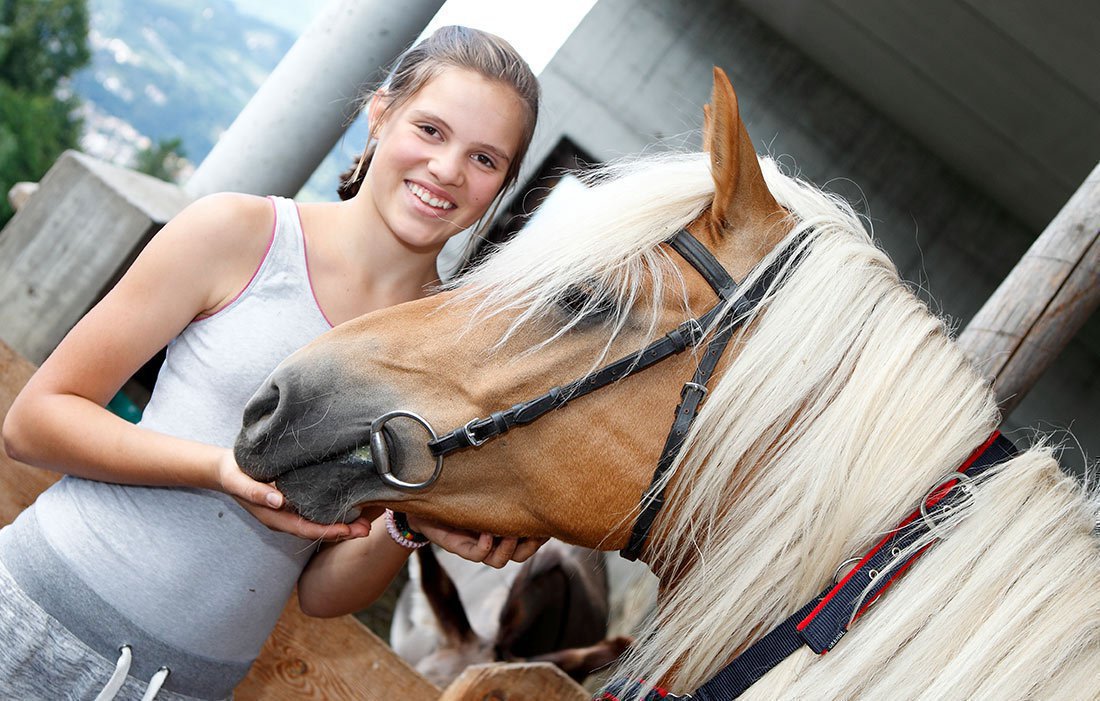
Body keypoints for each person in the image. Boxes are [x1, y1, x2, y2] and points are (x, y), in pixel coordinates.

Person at [0, 25, 541, 701]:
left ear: (502, 188)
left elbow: (318, 591)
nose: (448, 170)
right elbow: (33, 423)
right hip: (30, 621)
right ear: (380, 114)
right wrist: (220, 471)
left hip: (188, 689)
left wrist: (406, 525)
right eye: (430, 130)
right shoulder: (238, 233)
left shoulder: (445, 351)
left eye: (485, 159)